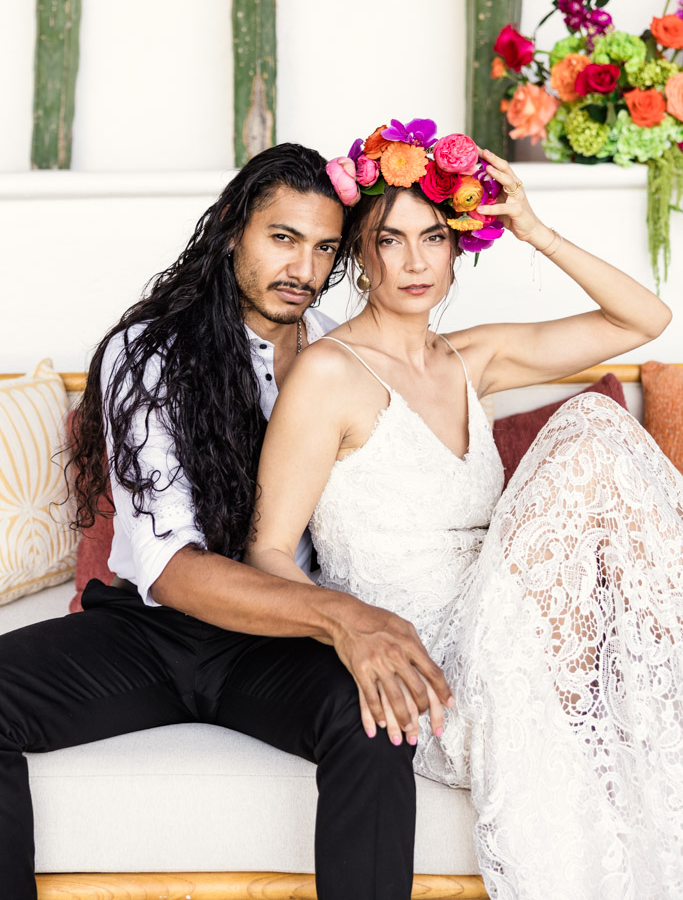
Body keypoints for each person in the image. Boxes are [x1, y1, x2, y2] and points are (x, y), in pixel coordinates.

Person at [0, 143, 454, 900]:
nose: (303, 270)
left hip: (275, 641)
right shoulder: (148, 351)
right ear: (231, 229)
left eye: (323, 248)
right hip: (151, 631)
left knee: (379, 720)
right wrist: (346, 618)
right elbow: (171, 570)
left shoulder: (343, 350)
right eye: (282, 238)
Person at [245, 125, 683, 899]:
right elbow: (269, 552)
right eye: (390, 240)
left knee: (600, 431)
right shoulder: (327, 373)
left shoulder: (469, 358)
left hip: (515, 622)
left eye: (434, 238)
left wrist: (533, 228)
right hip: (430, 656)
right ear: (360, 254)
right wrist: (351, 631)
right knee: (590, 432)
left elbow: (643, 320)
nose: (415, 261)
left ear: (459, 249)